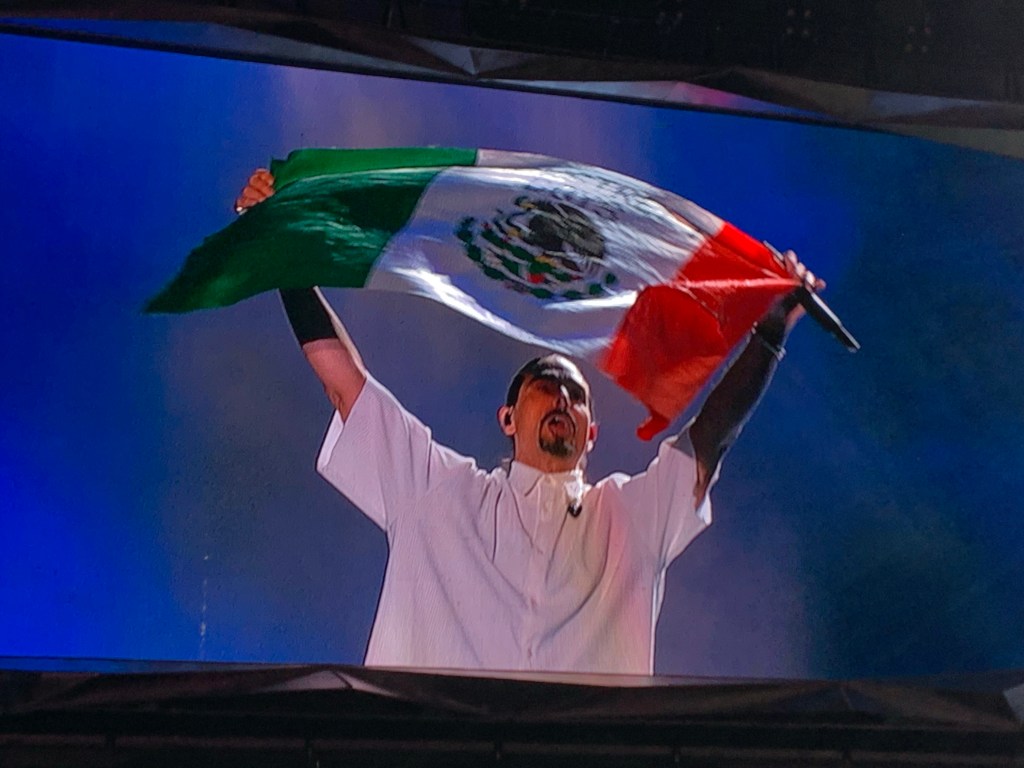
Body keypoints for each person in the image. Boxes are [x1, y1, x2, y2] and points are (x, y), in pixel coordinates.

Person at [236, 168, 821, 675]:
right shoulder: (436, 491)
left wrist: (769, 333)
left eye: (577, 396)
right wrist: (285, 253)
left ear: (592, 434)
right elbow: (344, 383)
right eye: (545, 384)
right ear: (508, 418)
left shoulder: (630, 518)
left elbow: (709, 441)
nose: (562, 398)